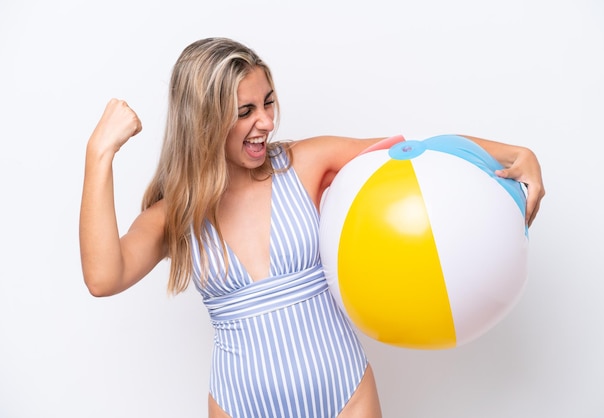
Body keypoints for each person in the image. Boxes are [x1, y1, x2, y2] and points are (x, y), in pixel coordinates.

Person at [79, 37, 546, 418]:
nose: (265, 122)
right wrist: (99, 153)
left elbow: (410, 154)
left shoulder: (304, 163)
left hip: (345, 393)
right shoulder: (176, 213)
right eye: (245, 112)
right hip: (240, 405)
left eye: (268, 103)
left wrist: (512, 154)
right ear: (203, 120)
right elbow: (104, 277)